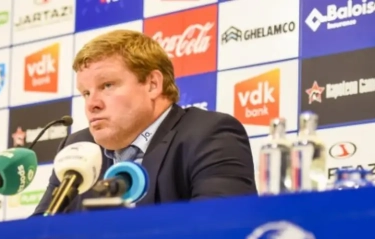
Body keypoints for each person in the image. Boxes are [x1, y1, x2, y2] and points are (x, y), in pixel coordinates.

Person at [32, 29, 256, 216]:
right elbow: (38, 236)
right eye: (86, 93)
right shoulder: (78, 149)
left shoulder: (208, 134)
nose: (92, 104)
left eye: (107, 85)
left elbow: (217, 228)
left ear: (152, 84)